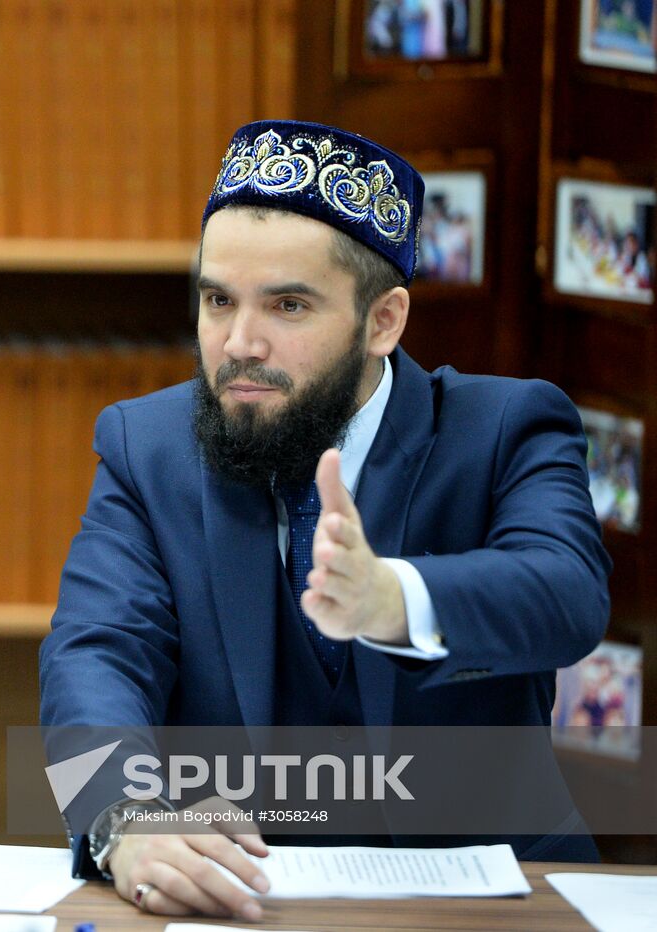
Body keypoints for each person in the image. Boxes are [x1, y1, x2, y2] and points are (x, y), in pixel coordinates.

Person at [40, 120, 610, 920]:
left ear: (384, 322)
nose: (239, 343)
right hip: (244, 897)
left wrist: (392, 599)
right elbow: (94, 655)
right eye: (217, 300)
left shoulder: (506, 427)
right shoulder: (149, 446)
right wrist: (123, 820)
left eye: (288, 305)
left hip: (497, 897)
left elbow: (567, 597)